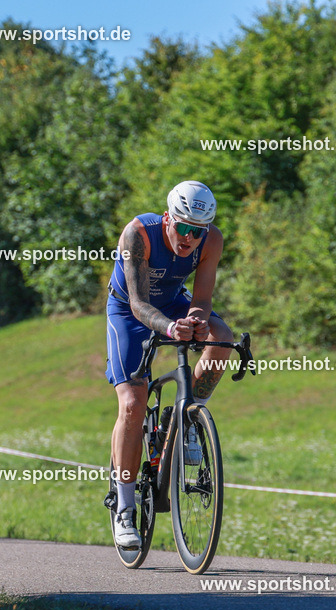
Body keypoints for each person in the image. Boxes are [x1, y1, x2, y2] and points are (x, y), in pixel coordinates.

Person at [105, 180, 234, 549]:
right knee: (132, 403)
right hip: (130, 309)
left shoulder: (211, 241)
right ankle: (125, 509)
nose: (190, 239)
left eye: (199, 232)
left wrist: (195, 320)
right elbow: (138, 303)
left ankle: (186, 417)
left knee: (222, 337)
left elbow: (203, 299)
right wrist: (169, 327)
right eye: (184, 228)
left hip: (175, 302)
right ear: (167, 218)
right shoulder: (137, 235)